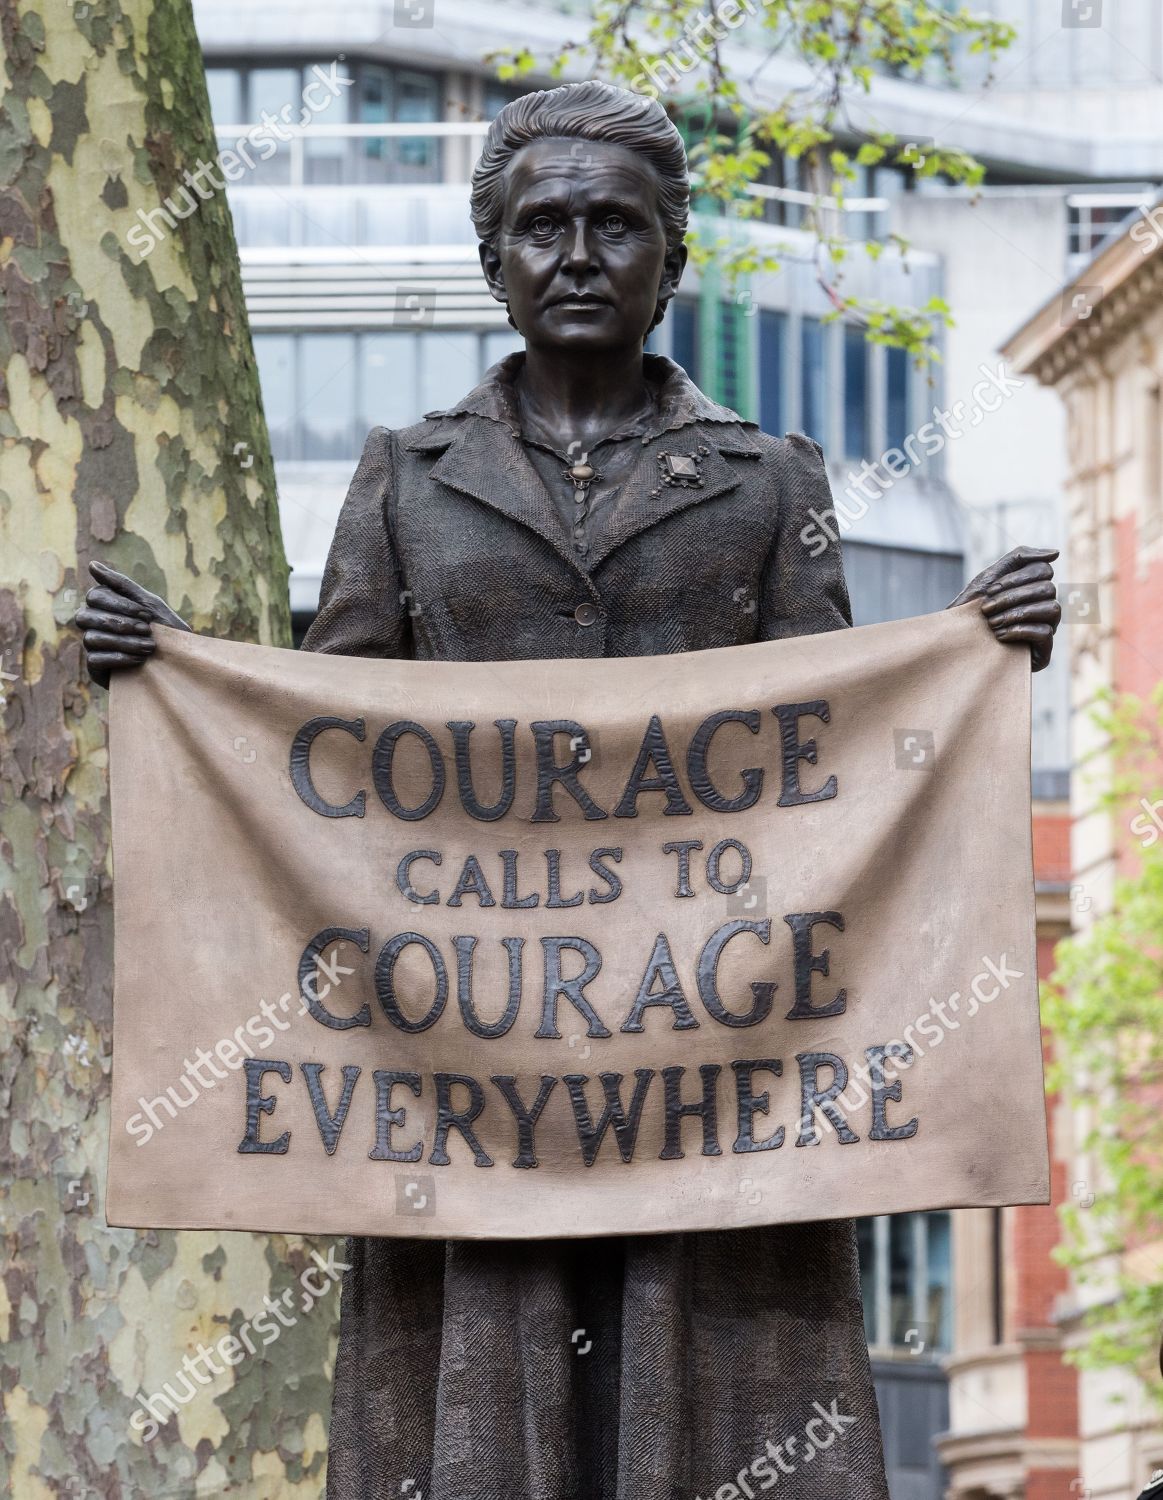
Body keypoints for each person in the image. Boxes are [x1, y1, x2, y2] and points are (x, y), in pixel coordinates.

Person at [78, 79, 1061, 1500]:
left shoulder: (770, 481)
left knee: (711, 1379)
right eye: (544, 227)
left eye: (616, 224)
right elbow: (324, 753)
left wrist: (975, 650)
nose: (580, 254)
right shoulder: (406, 479)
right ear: (495, 261)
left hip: (722, 1072)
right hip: (472, 1086)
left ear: (674, 254)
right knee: (488, 1408)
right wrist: (173, 675)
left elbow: (847, 755)